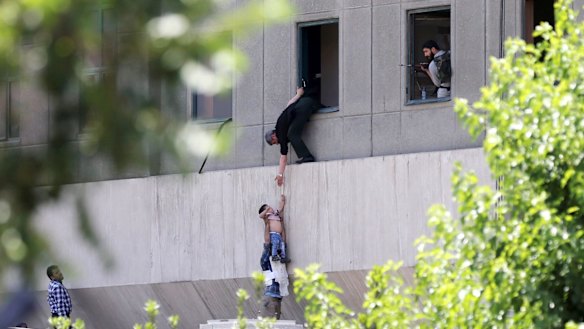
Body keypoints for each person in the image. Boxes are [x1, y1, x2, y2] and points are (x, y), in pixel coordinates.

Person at [265, 80, 320, 187]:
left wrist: (280, 174)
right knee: (291, 132)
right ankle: (306, 156)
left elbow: (283, 158)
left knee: (292, 134)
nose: (276, 144)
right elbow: (289, 104)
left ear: (273, 136)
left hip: (305, 106)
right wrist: (299, 94)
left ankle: (307, 157)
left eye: (274, 142)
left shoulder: (281, 133)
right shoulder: (280, 123)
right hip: (307, 102)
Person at [258, 194, 290, 263]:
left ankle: (283, 257)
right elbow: (260, 215)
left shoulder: (276, 214)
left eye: (270, 207)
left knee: (282, 245)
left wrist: (282, 200)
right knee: (275, 244)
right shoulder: (268, 217)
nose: (270, 208)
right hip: (273, 234)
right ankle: (274, 256)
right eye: (268, 208)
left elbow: (281, 208)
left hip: (279, 234)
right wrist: (266, 210)